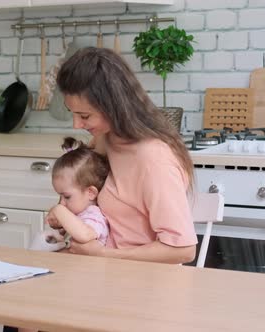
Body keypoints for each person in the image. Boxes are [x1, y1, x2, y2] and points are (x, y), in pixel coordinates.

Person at [52, 47, 198, 264]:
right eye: (72, 113)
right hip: (105, 272)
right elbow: (85, 184)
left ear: (113, 107)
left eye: (84, 115)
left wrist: (102, 254)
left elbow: (183, 250)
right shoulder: (108, 138)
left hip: (141, 281)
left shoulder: (154, 159)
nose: (76, 124)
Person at [45, 136, 110, 247]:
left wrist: (58, 211)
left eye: (67, 197)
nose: (61, 203)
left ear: (91, 193)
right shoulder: (77, 214)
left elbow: (85, 234)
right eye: (60, 197)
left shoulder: (94, 215)